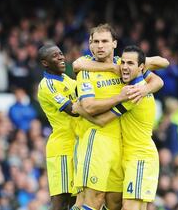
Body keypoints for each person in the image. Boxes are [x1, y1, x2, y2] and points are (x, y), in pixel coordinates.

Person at [72, 24, 166, 210]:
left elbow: (162, 68)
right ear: (90, 44)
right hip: (96, 139)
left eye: (104, 41)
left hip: (126, 150)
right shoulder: (89, 69)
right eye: (95, 42)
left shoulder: (126, 66)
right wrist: (117, 88)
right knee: (93, 199)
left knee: (114, 203)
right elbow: (89, 105)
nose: (100, 46)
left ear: (114, 43)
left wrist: (143, 89)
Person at [37, 44, 82, 210]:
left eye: (61, 54)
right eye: (55, 56)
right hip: (61, 148)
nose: (61, 58)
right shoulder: (46, 85)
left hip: (76, 146)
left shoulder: (68, 81)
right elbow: (73, 110)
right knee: (60, 202)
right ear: (45, 63)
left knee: (75, 201)